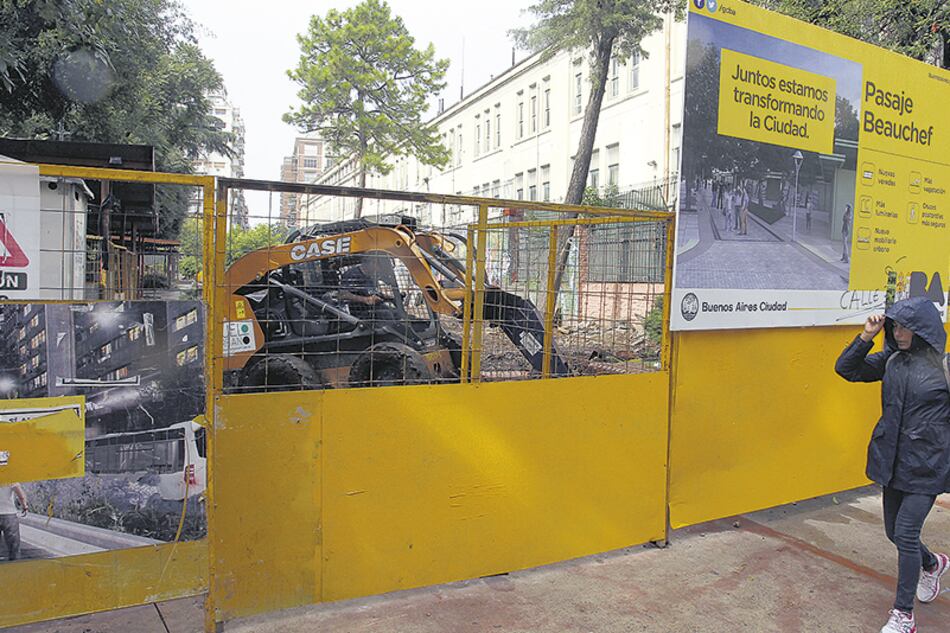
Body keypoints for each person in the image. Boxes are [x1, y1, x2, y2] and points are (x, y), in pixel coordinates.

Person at [835, 297, 950, 633]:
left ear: (922, 329)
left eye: (903, 326)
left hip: (928, 465)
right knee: (893, 533)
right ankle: (933, 563)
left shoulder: (944, 367)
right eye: (894, 325)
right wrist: (866, 336)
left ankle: (904, 615)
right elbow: (847, 369)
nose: (897, 332)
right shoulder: (892, 360)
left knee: (905, 532)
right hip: (893, 461)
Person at [0, 483, 28, 561]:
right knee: (14, 547)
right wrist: (24, 506)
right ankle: (15, 568)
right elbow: (21, 495)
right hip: (9, 515)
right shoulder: (11, 477)